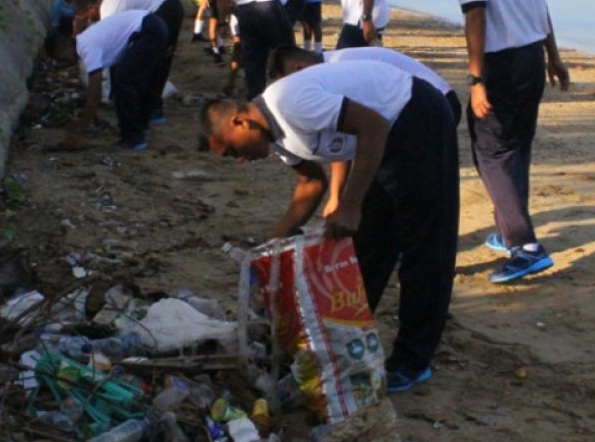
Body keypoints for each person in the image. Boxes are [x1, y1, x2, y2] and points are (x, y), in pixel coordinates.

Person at [196, 60, 459, 393]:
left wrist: (349, 204)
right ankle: (349, 342)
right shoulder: (276, 136)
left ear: (239, 121)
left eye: (232, 149)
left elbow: (373, 126)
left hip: (413, 115)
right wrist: (266, 251)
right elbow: (310, 185)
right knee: (367, 247)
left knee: (425, 246)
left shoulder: (287, 103)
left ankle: (413, 361)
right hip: (376, 141)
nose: (238, 160)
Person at [445, 0, 570, 283]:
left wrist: (476, 78)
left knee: (492, 151)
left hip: (500, 63)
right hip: (531, 57)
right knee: (516, 146)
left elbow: (475, 15)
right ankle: (509, 226)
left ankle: (525, 245)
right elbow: (541, 0)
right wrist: (553, 56)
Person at [47, 9, 169, 151]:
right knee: (128, 77)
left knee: (123, 81)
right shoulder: (86, 40)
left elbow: (95, 94)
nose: (65, 63)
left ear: (65, 45)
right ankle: (140, 125)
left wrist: (80, 129)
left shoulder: (85, 46)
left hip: (149, 30)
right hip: (151, 26)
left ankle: (134, 138)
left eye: (62, 58)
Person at [268, 45, 461, 126]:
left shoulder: (337, 68)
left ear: (299, 68)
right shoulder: (331, 63)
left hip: (438, 103)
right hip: (414, 104)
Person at [73, 0, 182, 123]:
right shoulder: (110, 0)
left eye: (88, 17)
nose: (90, 21)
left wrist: (117, 89)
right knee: (158, 60)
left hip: (163, 10)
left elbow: (117, 48)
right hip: (169, 4)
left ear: (91, 7)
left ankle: (151, 108)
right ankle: (151, 106)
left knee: (154, 62)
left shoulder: (108, 12)